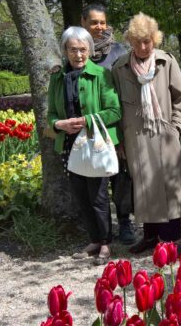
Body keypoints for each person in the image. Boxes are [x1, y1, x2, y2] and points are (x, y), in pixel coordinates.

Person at [111, 12, 181, 254]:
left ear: (155, 39)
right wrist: (119, 140)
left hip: (165, 135)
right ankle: (150, 236)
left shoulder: (166, 62)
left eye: (147, 41)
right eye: (137, 42)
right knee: (144, 187)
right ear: (130, 42)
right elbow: (115, 107)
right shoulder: (120, 67)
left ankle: (170, 239)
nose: (143, 47)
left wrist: (177, 128)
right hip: (136, 138)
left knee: (169, 187)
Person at [47, 26, 121, 265]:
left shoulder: (101, 75)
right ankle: (94, 239)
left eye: (82, 49)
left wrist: (85, 120)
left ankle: (107, 242)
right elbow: (50, 114)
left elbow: (115, 111)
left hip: (94, 143)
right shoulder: (57, 78)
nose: (78, 55)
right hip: (69, 144)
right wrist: (58, 123)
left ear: (90, 50)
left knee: (98, 197)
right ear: (65, 51)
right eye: (72, 50)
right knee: (81, 196)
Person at [81, 4, 135, 245]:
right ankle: (102, 230)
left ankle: (125, 222)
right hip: (88, 128)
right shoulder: (77, 51)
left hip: (115, 125)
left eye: (102, 22)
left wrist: (123, 135)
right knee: (96, 183)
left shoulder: (118, 52)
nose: (99, 27)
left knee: (120, 178)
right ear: (84, 23)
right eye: (94, 22)